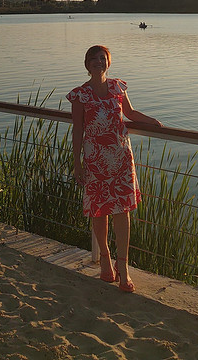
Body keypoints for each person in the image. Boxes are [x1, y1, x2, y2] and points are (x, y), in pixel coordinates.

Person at [67, 45, 162, 292]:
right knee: (99, 211)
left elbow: (129, 113)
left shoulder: (117, 87)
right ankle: (106, 261)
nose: (99, 62)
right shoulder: (79, 95)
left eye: (103, 58)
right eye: (94, 59)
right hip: (95, 160)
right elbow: (78, 131)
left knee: (122, 211)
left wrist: (151, 120)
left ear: (108, 63)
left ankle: (124, 268)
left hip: (120, 157)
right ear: (87, 64)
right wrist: (76, 163)